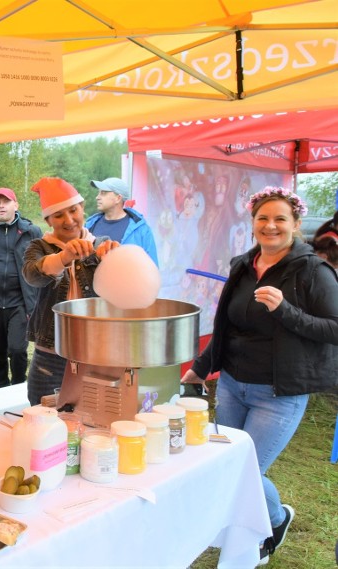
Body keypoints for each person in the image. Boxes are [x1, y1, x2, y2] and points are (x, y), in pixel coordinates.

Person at [181, 187, 338, 565]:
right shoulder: (243, 265)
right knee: (224, 464)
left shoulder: (312, 271)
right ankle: (244, 524)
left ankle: (276, 519)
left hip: (279, 392)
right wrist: (201, 367)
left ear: (296, 225)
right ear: (252, 223)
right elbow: (226, 326)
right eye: (262, 218)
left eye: (280, 219)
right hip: (233, 385)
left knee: (244, 469)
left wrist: (285, 310)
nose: (271, 226)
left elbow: (334, 327)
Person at [22, 178, 118, 407]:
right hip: (50, 356)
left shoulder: (101, 244)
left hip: (94, 353)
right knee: (43, 417)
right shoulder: (38, 247)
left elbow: (118, 295)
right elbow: (32, 275)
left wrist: (116, 261)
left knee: (92, 419)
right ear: (48, 220)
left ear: (83, 207)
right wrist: (63, 258)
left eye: (73, 210)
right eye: (58, 216)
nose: (69, 220)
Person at [0, 188, 42, 389]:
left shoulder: (31, 232)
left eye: (6, 201)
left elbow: (41, 266)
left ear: (16, 205)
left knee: (17, 350)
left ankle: (18, 386)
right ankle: (1, 387)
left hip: (19, 304)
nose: (1, 206)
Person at [86, 177, 158, 266]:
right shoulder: (89, 225)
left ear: (118, 198)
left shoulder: (141, 230)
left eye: (103, 193)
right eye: (99, 193)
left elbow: (152, 267)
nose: (97, 197)